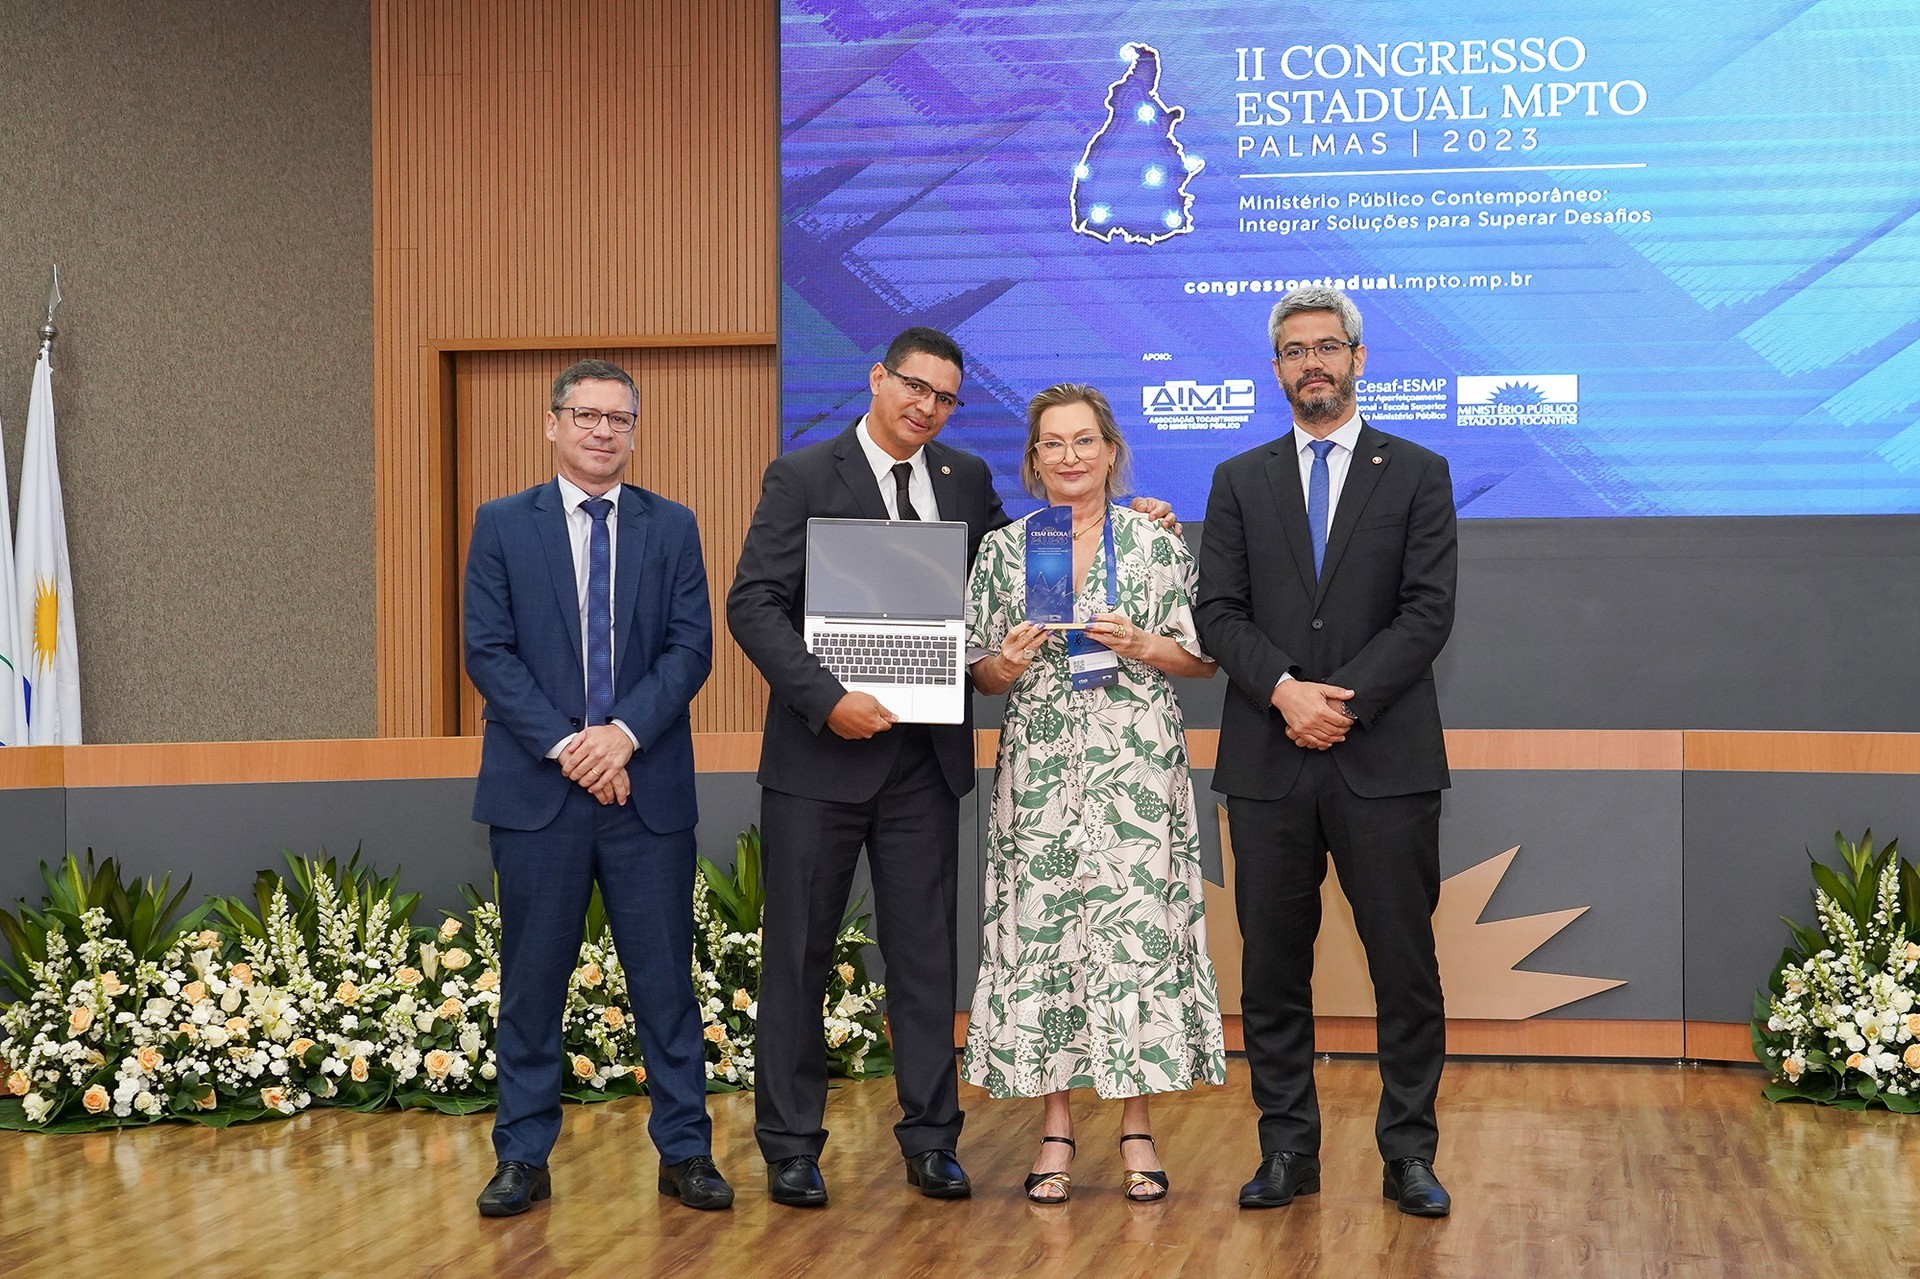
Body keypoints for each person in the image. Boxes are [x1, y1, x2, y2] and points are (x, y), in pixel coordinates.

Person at [727, 328, 1173, 1209]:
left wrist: (1126, 523)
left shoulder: (963, 480)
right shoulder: (804, 475)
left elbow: (1030, 564)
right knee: (799, 957)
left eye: (943, 396)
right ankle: (790, 1145)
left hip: (923, 766)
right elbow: (754, 603)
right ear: (877, 380)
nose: (926, 406)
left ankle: (932, 1141)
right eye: (914, 388)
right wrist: (826, 698)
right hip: (820, 761)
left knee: (927, 960)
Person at [1195, 286, 1458, 1218]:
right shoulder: (1239, 478)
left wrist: (1336, 703)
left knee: (1405, 967)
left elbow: (1428, 611)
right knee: (1271, 966)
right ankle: (1286, 1148)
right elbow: (1216, 611)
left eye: (1327, 347)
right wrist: (1283, 692)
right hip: (1268, 763)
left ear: (1357, 357)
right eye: (1294, 350)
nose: (1312, 362)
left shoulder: (1419, 471)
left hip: (1383, 759)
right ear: (1276, 369)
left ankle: (1409, 1153)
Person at [464, 358, 732, 1217]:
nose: (603, 431)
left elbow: (691, 648)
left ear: (634, 430)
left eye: (620, 418)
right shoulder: (502, 524)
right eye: (587, 415)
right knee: (530, 984)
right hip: (538, 795)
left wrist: (621, 736)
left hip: (645, 792)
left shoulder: (673, 525)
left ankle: (685, 1150)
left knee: (665, 984)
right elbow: (488, 651)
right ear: (553, 424)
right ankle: (522, 1157)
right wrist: (567, 745)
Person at [961, 384, 1226, 1204]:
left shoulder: (1153, 543)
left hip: (1136, 762)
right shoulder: (1007, 550)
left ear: (1111, 450)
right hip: (1040, 771)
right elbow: (981, 673)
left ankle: (1138, 1123)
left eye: (1084, 440)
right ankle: (1054, 1127)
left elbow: (1204, 658)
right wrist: (1004, 661)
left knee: (1132, 944)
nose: (1069, 456)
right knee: (1046, 941)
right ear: (1034, 459)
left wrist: (1144, 643)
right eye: (1052, 443)